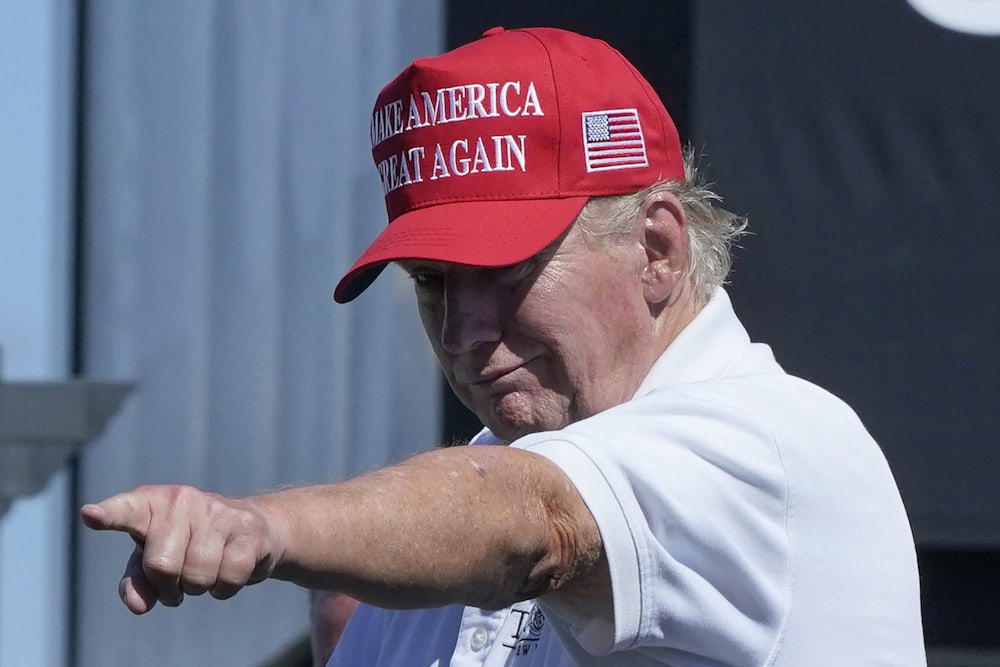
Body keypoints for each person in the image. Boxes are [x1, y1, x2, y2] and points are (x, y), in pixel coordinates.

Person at [81, 26, 926, 665]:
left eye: (505, 270)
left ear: (657, 249)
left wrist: (269, 526)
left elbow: (535, 518)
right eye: (431, 282)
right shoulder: (433, 535)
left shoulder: (769, 442)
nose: (462, 330)